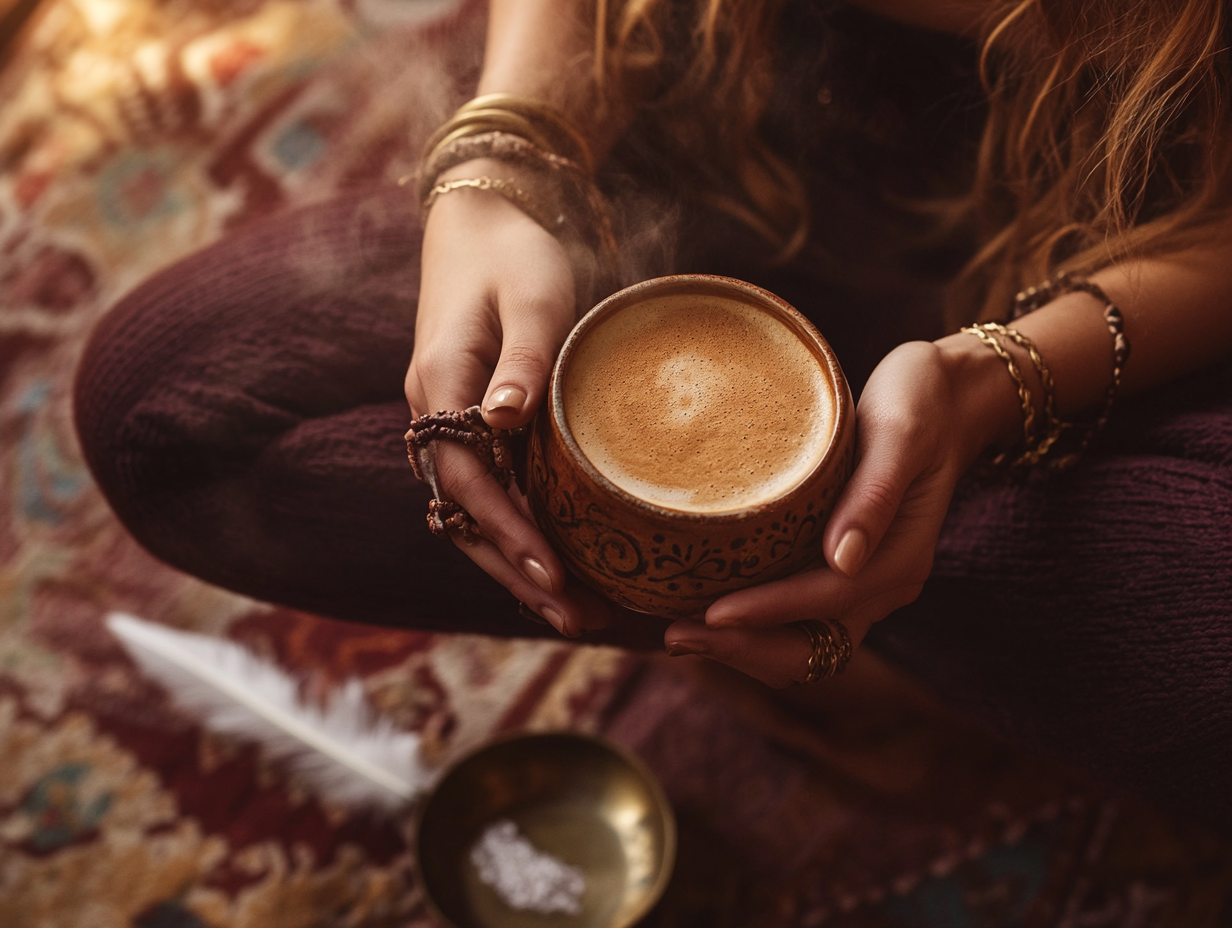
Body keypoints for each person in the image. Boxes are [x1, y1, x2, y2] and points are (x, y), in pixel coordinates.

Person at [75, 0, 1232, 823]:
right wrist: (508, 151)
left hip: (1147, 222)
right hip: (740, 134)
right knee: (164, 410)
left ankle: (857, 598)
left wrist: (998, 380)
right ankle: (873, 607)